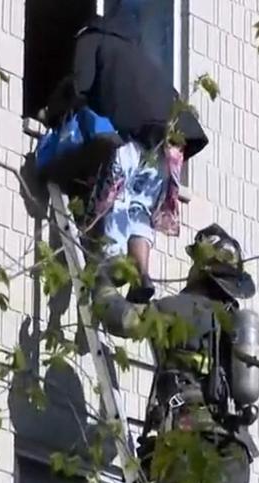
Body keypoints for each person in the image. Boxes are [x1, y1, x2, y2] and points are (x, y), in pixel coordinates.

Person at [94, 223, 259, 483]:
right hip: (236, 442)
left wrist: (104, 283)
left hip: (188, 431)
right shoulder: (236, 324)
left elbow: (123, 321)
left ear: (199, 268)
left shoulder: (176, 309)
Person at [69, 2, 208, 303]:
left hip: (132, 134)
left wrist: (55, 113)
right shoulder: (137, 55)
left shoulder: (91, 39)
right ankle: (142, 273)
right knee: (140, 207)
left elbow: (79, 88)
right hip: (168, 144)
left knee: (118, 199)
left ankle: (114, 265)